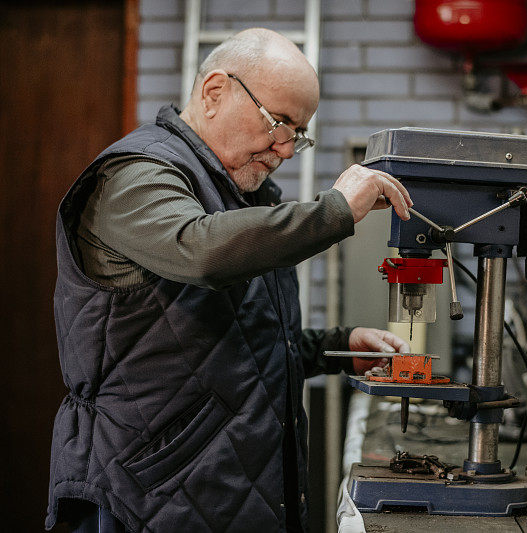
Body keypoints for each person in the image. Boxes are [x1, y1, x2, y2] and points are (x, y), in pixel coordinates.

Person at [46, 28, 413, 533]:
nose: (285, 149)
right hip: (147, 497)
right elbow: (201, 251)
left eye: (297, 134)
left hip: (225, 492)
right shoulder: (136, 174)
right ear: (215, 91)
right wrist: (333, 212)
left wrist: (335, 347)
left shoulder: (243, 194)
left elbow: (235, 338)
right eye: (278, 122)